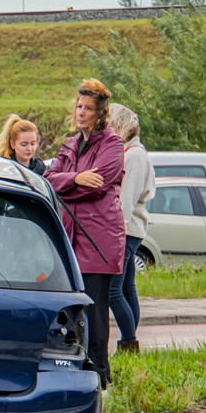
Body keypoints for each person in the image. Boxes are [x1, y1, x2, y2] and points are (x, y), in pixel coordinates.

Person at [45, 79, 126, 389]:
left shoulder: (112, 144)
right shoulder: (69, 144)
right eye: (79, 106)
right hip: (70, 236)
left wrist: (69, 184)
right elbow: (49, 181)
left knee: (95, 309)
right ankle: (74, 369)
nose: (81, 112)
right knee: (70, 307)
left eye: (88, 108)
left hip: (99, 238)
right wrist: (77, 178)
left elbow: (99, 185)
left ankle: (100, 375)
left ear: (100, 113)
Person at [107, 103, 156, 353]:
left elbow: (126, 199)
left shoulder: (134, 155)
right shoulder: (134, 152)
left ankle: (129, 343)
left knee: (113, 292)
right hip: (130, 229)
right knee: (127, 287)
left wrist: (116, 232)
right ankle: (130, 341)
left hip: (126, 230)